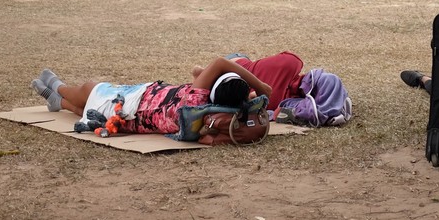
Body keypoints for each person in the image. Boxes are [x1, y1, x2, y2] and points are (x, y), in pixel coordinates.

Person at [30, 57, 272, 135]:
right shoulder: (207, 110)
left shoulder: (196, 96)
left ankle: (59, 88)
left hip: (134, 101)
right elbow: (200, 74)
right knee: (92, 108)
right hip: (132, 122)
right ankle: (58, 101)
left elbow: (216, 63)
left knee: (90, 90)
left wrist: (261, 86)